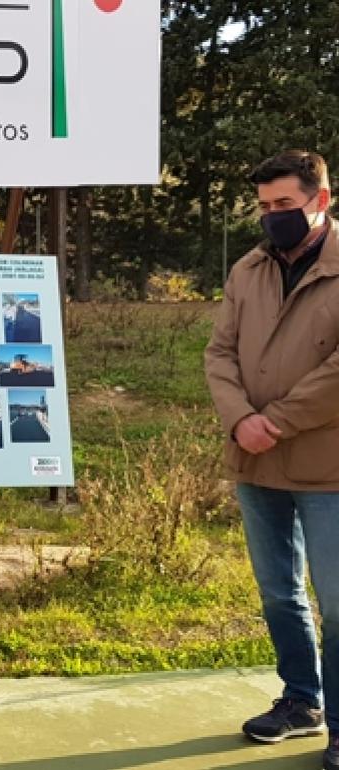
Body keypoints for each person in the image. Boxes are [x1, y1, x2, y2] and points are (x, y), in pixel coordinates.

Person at [205, 149, 339, 769]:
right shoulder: (247, 270)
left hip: (327, 465)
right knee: (278, 592)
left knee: (336, 602)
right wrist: (240, 420)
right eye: (263, 206)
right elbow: (220, 355)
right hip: (255, 461)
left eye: (284, 204)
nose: (271, 216)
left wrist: (274, 422)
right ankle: (301, 701)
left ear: (321, 199)